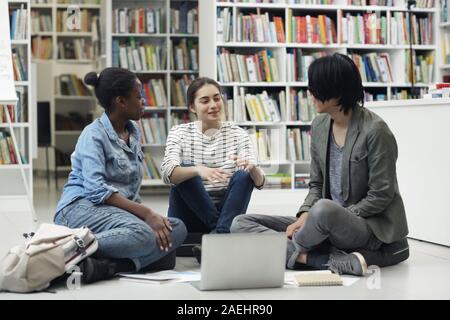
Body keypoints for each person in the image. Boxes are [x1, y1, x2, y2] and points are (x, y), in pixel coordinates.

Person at [231, 53, 409, 276]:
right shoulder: (320, 124)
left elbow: (381, 195)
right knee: (240, 223)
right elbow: (316, 184)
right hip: (322, 224)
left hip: (366, 225)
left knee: (324, 209)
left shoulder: (375, 131)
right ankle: (314, 258)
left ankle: (287, 251)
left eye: (316, 88)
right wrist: (305, 215)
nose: (310, 94)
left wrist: (337, 216)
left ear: (337, 90)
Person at [53, 68, 187, 284]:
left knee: (176, 229)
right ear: (121, 102)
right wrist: (146, 214)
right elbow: (96, 190)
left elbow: (131, 190)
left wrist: (151, 219)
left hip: (112, 211)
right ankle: (68, 248)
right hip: (79, 208)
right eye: (138, 96)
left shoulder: (133, 130)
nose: (144, 101)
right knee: (146, 237)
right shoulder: (93, 134)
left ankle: (110, 267)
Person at [161, 77, 265, 259]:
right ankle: (221, 234)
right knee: (185, 170)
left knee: (244, 174)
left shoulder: (238, 134)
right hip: (188, 211)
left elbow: (260, 182)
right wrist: (198, 170)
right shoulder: (179, 132)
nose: (214, 105)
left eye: (217, 98)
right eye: (205, 100)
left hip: (226, 209)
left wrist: (253, 169)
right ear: (192, 107)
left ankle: (220, 233)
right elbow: (168, 174)